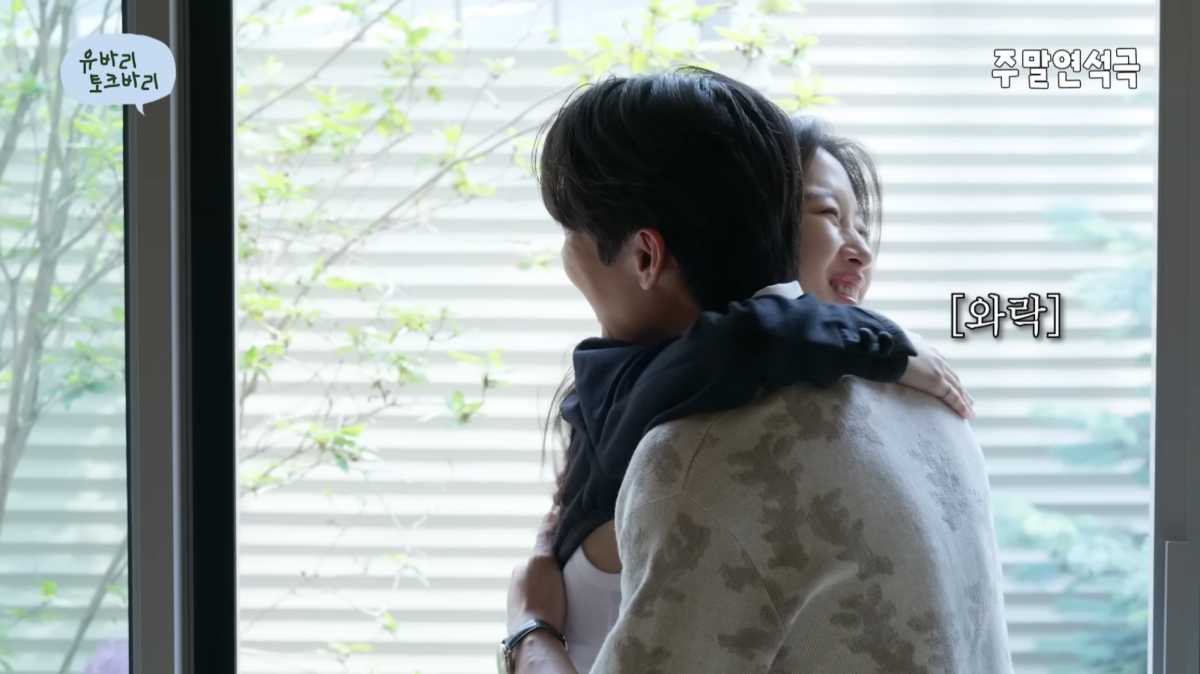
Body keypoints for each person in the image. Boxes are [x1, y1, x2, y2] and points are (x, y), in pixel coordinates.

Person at [502, 69, 1011, 674]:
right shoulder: (927, 408)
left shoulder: (694, 455)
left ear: (644, 255)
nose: (858, 247)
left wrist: (529, 627)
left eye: (571, 231)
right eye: (823, 213)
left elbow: (749, 336)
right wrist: (884, 345)